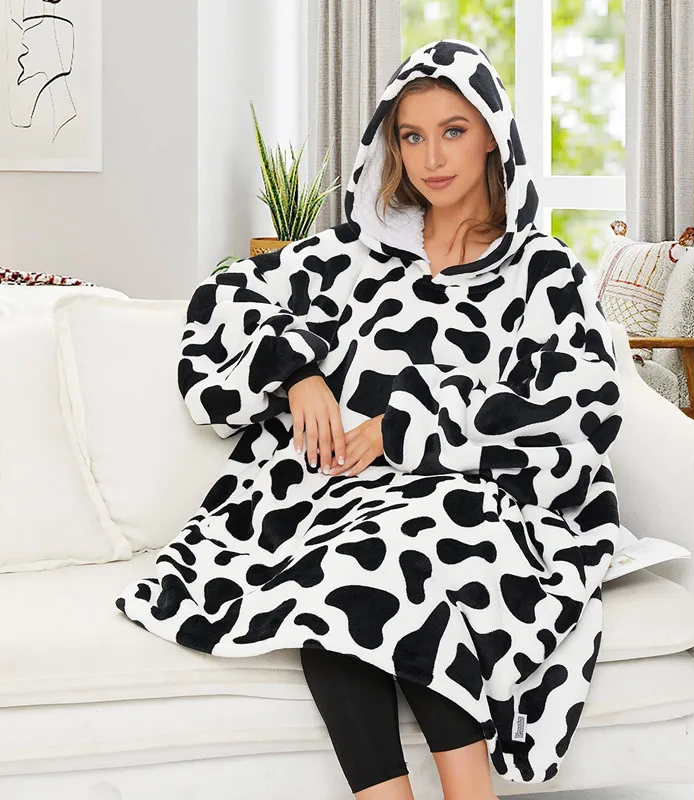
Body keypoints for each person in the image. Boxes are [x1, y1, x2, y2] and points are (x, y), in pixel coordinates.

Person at [115, 39, 624, 799]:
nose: (432, 158)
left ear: (491, 135)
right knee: (339, 587)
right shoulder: (355, 257)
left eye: (453, 131)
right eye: (412, 136)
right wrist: (297, 372)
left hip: (483, 503)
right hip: (342, 504)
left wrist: (402, 427)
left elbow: (583, 402)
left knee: (409, 548)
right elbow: (222, 299)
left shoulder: (540, 270)